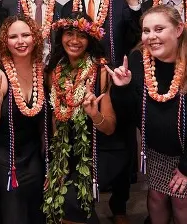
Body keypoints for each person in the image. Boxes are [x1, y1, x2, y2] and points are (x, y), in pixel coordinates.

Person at [108, 5, 187, 224]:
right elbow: (128, 115)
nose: (151, 37)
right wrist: (122, 88)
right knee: (156, 195)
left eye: (159, 29)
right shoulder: (137, 60)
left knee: (181, 198)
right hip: (158, 148)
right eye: (146, 31)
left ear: (179, 29)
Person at [61, 0, 140, 224]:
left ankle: (119, 205)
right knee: (83, 138)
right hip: (82, 80)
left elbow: (136, 34)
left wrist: (133, 5)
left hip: (117, 79)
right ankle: (85, 200)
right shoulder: (68, 4)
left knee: (122, 140)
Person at [44, 12, 116, 224]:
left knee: (72, 200)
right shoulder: (54, 71)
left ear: (90, 39)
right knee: (54, 198)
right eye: (69, 33)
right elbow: (55, 118)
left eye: (82, 36)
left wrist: (94, 114)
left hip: (100, 150)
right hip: (66, 150)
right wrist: (56, 162)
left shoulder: (101, 71)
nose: (74, 41)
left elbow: (110, 128)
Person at [0, 15, 47, 224]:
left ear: (34, 38)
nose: (20, 41)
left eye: (26, 35)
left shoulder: (41, 70)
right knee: (13, 213)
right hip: (3, 155)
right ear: (4, 42)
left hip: (32, 153)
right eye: (13, 37)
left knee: (37, 211)